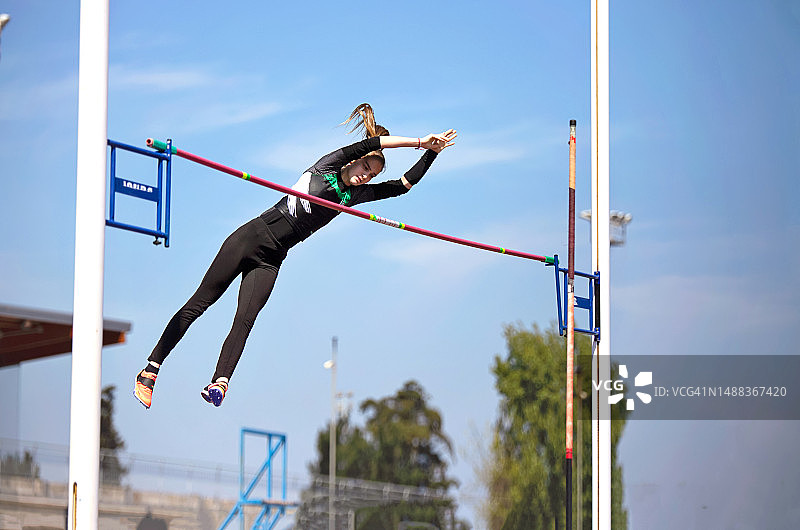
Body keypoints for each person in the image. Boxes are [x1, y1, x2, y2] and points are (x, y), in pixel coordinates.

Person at [134, 103, 457, 409]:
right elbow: (375, 142)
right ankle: (151, 368)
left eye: (372, 175)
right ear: (354, 160)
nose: (366, 176)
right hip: (249, 239)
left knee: (245, 319)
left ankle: (219, 382)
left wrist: (431, 155)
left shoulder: (353, 196)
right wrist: (419, 141)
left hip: (271, 258)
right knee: (200, 304)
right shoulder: (325, 166)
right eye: (365, 168)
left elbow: (402, 186)